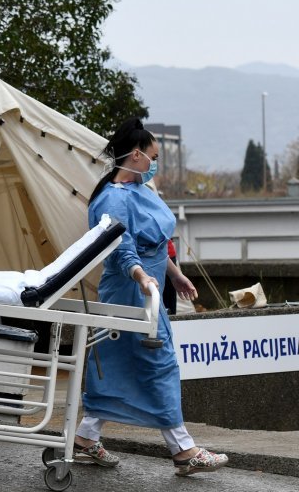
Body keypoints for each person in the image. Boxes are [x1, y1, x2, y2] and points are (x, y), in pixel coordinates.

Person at [72, 118, 228, 476]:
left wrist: (175, 274)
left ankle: (84, 440)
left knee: (119, 364)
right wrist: (143, 277)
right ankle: (183, 449)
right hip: (133, 290)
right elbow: (120, 247)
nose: (156, 163)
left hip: (148, 287)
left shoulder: (139, 190)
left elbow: (155, 243)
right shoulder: (111, 198)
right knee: (157, 365)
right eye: (154, 156)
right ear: (138, 154)